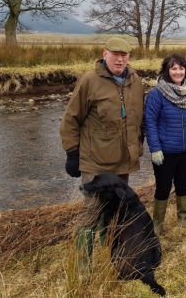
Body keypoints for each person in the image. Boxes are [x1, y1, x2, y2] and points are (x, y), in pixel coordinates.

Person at [59, 37, 144, 271]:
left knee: (115, 210)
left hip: (123, 162)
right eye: (115, 54)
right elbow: (70, 120)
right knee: (91, 212)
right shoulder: (89, 80)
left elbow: (138, 119)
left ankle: (111, 256)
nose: (120, 59)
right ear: (104, 53)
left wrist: (139, 146)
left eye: (124, 55)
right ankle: (82, 266)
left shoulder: (135, 81)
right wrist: (72, 153)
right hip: (95, 161)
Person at [144, 54, 186, 235]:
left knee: (183, 184)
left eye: (181, 68)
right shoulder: (157, 94)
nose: (178, 72)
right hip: (165, 152)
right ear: (167, 71)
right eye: (173, 68)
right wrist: (155, 149)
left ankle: (183, 220)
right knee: (163, 187)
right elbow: (150, 123)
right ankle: (157, 225)